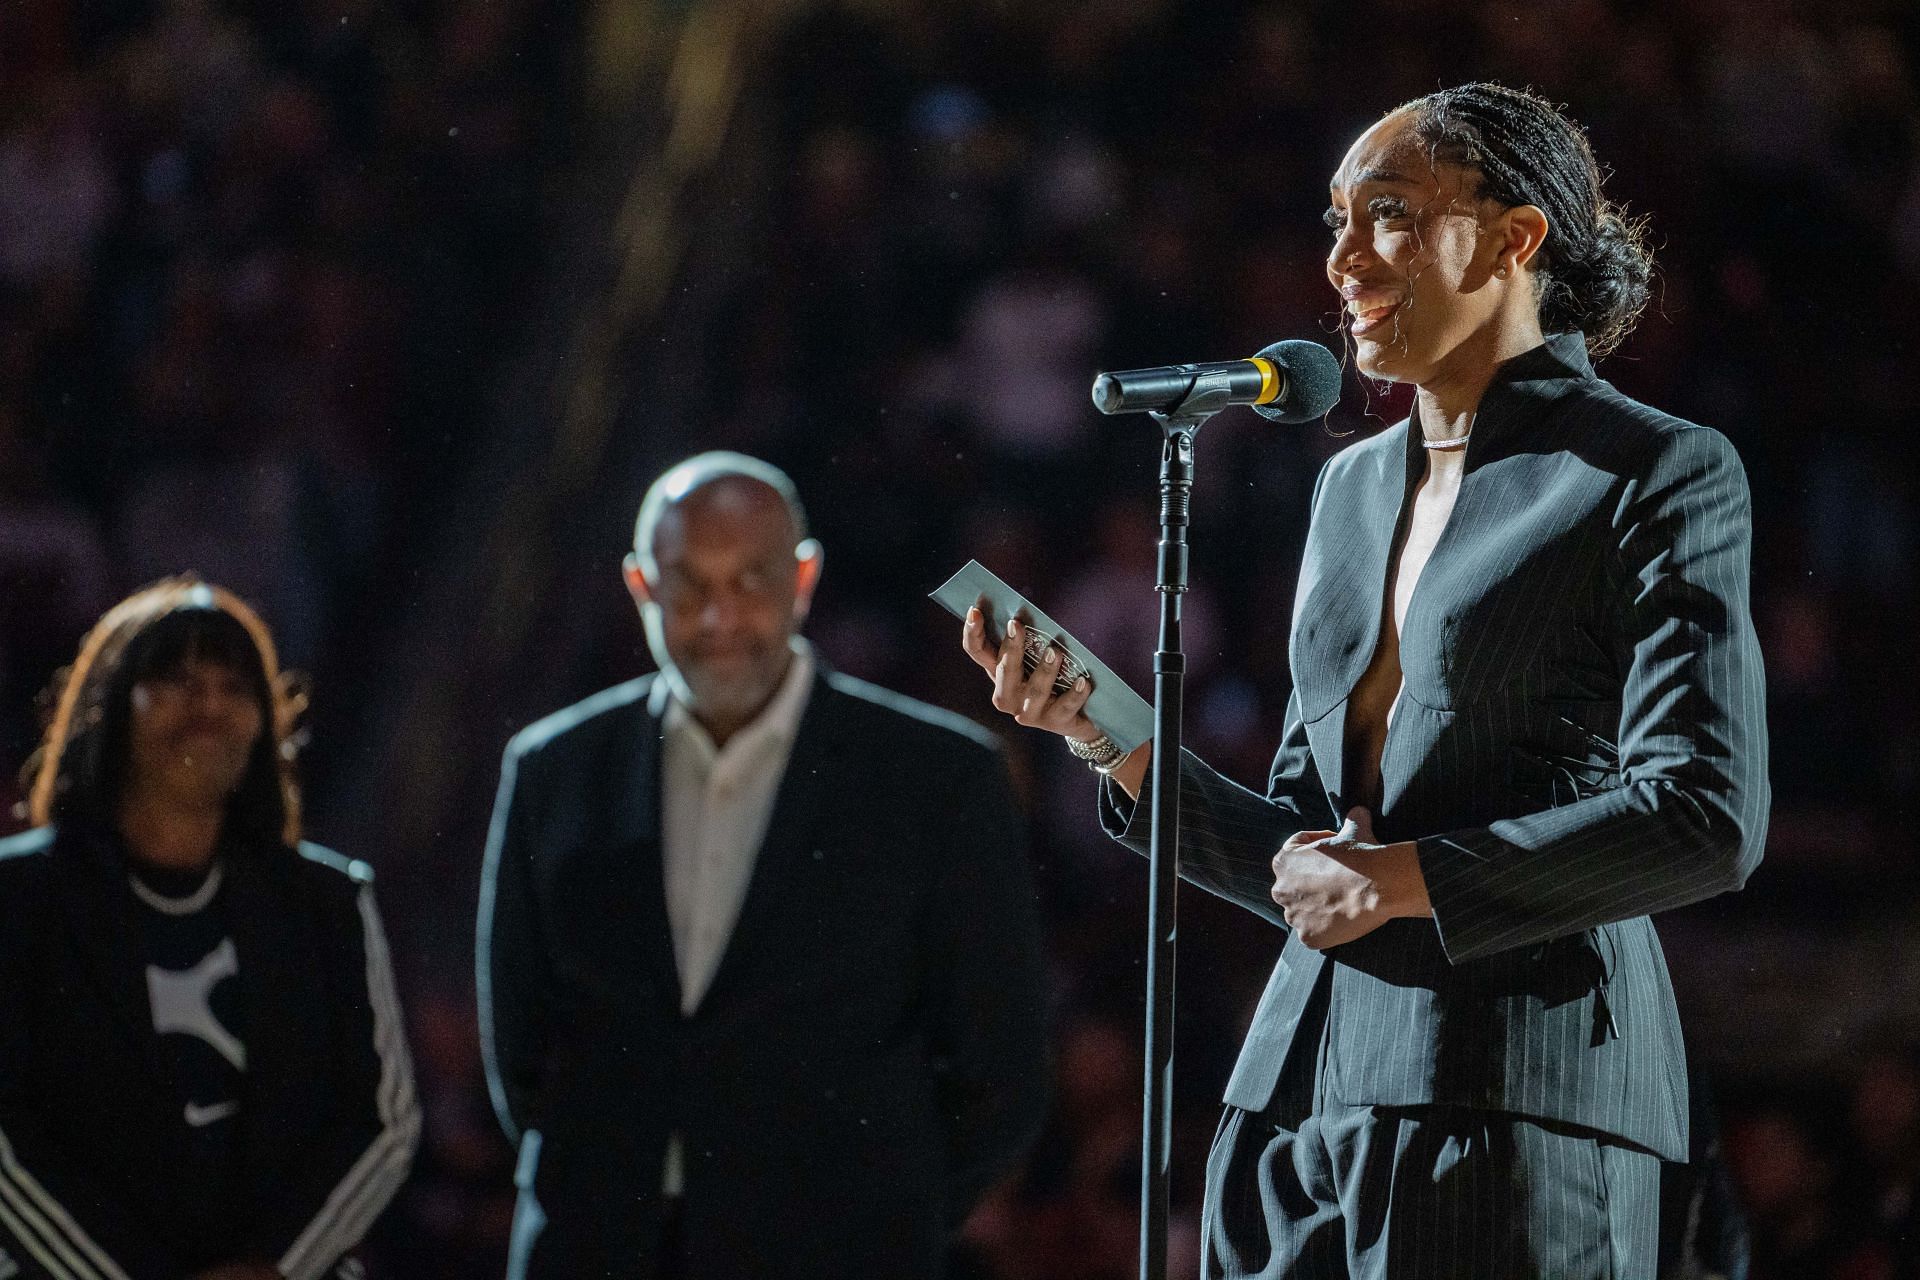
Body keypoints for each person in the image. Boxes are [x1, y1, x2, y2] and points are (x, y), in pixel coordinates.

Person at [962, 82, 1769, 1278]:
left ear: (1514, 237)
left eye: (1384, 214)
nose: (1339, 257)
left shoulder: (1651, 469)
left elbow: (1705, 815)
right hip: (1296, 1093)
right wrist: (1105, 727)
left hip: (1515, 1088)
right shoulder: (1348, 491)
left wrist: (1405, 878)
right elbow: (1307, 848)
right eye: (1334, 218)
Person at [478, 451, 1050, 1279]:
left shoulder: (939, 779)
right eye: (689, 583)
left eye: (751, 578)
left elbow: (1004, 1071)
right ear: (641, 586)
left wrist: (884, 1219)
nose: (719, 615)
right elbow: (519, 1052)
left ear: (805, 578)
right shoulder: (552, 769)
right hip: (592, 1249)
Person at [0, 578, 419, 1280]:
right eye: (178, 680)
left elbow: (384, 1122)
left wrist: (275, 1267)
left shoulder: (329, 902)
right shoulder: (18, 899)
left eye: (234, 686)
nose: (209, 706)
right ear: (110, 706)